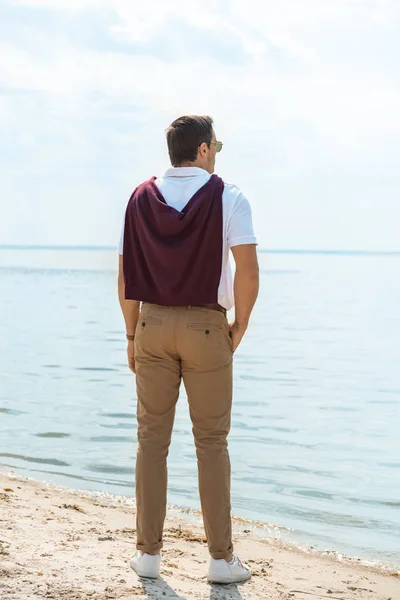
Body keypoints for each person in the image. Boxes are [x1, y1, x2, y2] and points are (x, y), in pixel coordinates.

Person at [118, 115, 259, 584]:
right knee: (212, 444)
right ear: (201, 149)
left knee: (150, 443)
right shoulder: (230, 196)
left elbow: (125, 275)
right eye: (215, 143)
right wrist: (238, 326)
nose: (217, 150)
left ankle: (148, 555)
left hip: (152, 323)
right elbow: (248, 271)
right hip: (206, 328)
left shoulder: (139, 198)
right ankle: (220, 561)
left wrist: (132, 335)